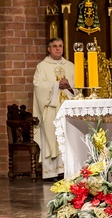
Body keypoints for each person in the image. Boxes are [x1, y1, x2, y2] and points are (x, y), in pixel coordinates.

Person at [33, 37, 77, 180]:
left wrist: (69, 86)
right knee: (52, 139)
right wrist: (57, 85)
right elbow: (38, 86)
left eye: (60, 46)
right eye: (55, 46)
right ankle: (51, 172)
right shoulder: (42, 66)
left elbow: (78, 87)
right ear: (49, 49)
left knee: (67, 139)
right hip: (51, 109)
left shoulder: (70, 66)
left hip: (67, 109)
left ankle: (66, 170)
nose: (58, 49)